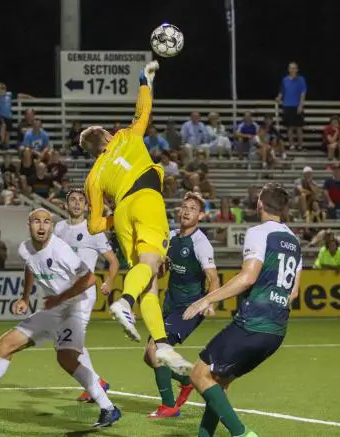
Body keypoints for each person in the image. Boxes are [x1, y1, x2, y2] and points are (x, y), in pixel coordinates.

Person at [0, 209, 121, 428]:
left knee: (66, 358)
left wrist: (60, 298)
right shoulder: (24, 248)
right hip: (55, 306)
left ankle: (109, 409)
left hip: (76, 305)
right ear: (29, 225)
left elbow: (90, 278)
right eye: (37, 221)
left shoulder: (61, 250)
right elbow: (30, 267)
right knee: (4, 345)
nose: (42, 226)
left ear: (51, 227)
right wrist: (25, 298)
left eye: (47, 222)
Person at [79, 61, 192, 375]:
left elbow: (93, 225)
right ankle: (124, 301)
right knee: (151, 266)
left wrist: (115, 219)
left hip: (123, 215)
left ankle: (163, 345)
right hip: (145, 198)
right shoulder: (126, 137)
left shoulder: (92, 177)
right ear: (105, 135)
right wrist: (145, 81)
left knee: (151, 284)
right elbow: (144, 111)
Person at [183, 183, 302, 437]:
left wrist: (206, 300)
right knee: (218, 381)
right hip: (276, 331)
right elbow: (294, 292)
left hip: (253, 324)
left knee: (199, 373)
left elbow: (248, 277)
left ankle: (241, 433)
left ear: (259, 204)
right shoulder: (294, 241)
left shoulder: (259, 233)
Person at [144, 192, 219, 418]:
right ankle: (187, 381)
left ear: (200, 215)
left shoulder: (201, 243)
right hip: (170, 303)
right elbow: (165, 268)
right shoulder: (172, 236)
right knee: (150, 357)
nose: (186, 211)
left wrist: (208, 303)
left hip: (189, 308)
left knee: (155, 351)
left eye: (193, 209)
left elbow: (214, 279)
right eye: (184, 207)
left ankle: (169, 407)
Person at [54, 189, 119, 403]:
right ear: (66, 204)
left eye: (81, 200)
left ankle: (95, 384)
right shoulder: (59, 228)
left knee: (70, 341)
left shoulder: (93, 230)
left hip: (84, 293)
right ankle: (95, 382)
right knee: (65, 342)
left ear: (87, 206)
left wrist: (109, 281)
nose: (76, 203)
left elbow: (113, 261)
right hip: (64, 293)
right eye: (72, 199)